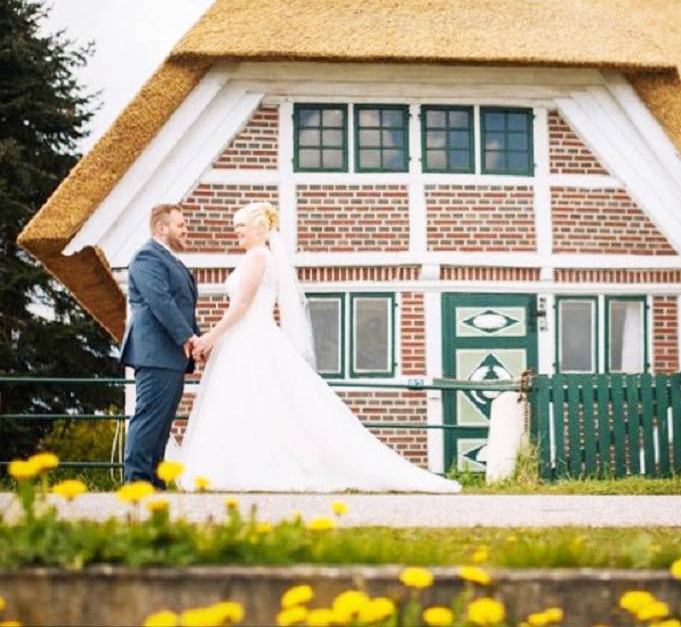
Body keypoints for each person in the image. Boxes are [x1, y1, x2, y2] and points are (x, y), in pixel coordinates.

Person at [176, 202, 460, 493]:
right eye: (235, 226)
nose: (236, 231)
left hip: (251, 335)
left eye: (241, 226)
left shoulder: (257, 256)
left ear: (260, 228)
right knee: (255, 403)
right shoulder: (265, 257)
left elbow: (242, 304)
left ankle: (248, 468)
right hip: (249, 336)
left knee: (252, 401)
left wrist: (210, 337)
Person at [120, 204, 199, 487]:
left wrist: (198, 340)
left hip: (172, 355)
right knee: (149, 417)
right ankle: (137, 480)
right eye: (181, 225)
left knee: (162, 422)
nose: (186, 229)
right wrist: (187, 337)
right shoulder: (146, 257)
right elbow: (160, 301)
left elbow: (182, 307)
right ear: (162, 228)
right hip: (155, 352)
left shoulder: (171, 260)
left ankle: (154, 481)